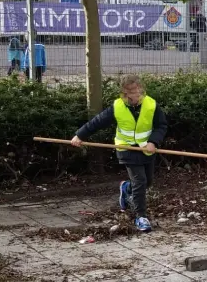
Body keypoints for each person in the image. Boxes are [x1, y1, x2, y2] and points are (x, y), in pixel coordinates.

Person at [70, 74, 169, 232]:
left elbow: (161, 126)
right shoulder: (118, 107)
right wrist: (79, 135)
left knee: (147, 182)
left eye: (137, 91)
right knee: (140, 181)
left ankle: (126, 189)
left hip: (146, 149)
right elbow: (97, 122)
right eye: (130, 92)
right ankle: (140, 217)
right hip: (127, 150)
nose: (135, 95)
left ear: (141, 90)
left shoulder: (151, 105)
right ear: (124, 93)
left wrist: (153, 141)